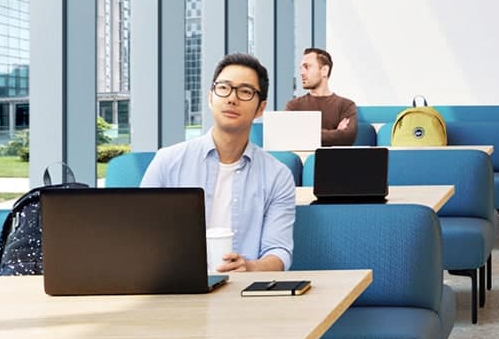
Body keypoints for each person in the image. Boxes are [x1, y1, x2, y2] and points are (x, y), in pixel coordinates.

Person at [141, 51, 295, 273]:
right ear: (210, 97)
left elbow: (279, 252)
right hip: (174, 287)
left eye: (245, 92)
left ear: (260, 108)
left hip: (244, 295)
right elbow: (140, 234)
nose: (232, 98)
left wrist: (249, 268)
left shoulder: (277, 176)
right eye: (223, 88)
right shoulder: (167, 162)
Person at [287, 46, 359, 146]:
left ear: (324, 70)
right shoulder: (294, 106)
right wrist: (336, 133)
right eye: (301, 68)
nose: (302, 73)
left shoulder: (346, 105)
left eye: (307, 67)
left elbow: (347, 137)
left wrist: (304, 134)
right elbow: (287, 136)